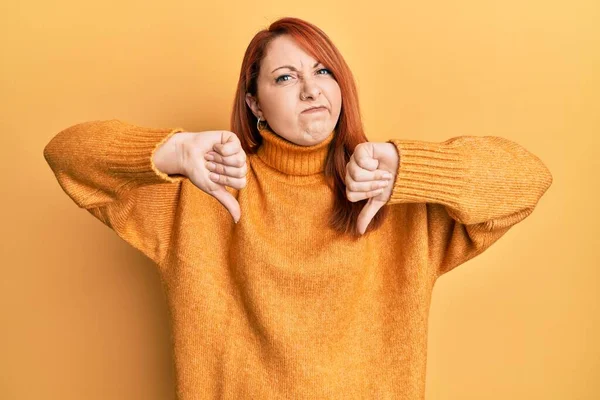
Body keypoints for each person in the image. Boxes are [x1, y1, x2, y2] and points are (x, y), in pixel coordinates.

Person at [43, 16, 553, 400]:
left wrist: (408, 168)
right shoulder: (206, 192)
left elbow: (529, 178)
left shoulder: (394, 199)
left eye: (323, 70)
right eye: (285, 77)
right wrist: (172, 152)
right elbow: (66, 153)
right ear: (255, 105)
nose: (311, 88)